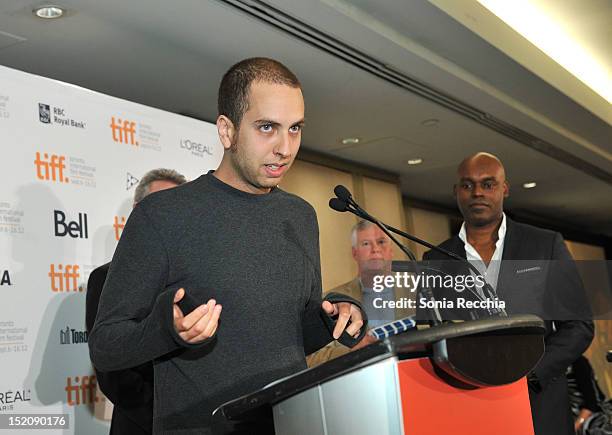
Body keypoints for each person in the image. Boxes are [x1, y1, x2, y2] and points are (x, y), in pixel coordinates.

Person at [88, 57, 366, 434]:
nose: (286, 148)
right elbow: (106, 343)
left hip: (289, 424)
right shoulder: (163, 215)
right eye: (267, 127)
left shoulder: (300, 216)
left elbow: (288, 337)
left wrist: (334, 319)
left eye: (295, 128)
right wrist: (166, 330)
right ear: (227, 131)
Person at [422, 152, 594, 435]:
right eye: (467, 185)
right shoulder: (435, 259)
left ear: (505, 188)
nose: (477, 192)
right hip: (471, 406)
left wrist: (529, 375)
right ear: (456, 192)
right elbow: (437, 336)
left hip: (540, 406)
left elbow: (579, 325)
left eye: (488, 184)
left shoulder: (545, 244)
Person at [85, 168, 187, 434]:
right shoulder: (106, 277)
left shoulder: (196, 277)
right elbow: (112, 372)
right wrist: (165, 417)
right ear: (138, 211)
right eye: (162, 205)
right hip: (142, 426)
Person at [307, 220, 414, 366]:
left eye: (381, 242)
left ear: (391, 250)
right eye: (366, 244)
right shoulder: (332, 301)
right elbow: (311, 358)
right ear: (354, 253)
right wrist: (354, 350)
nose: (375, 249)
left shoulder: (419, 291)